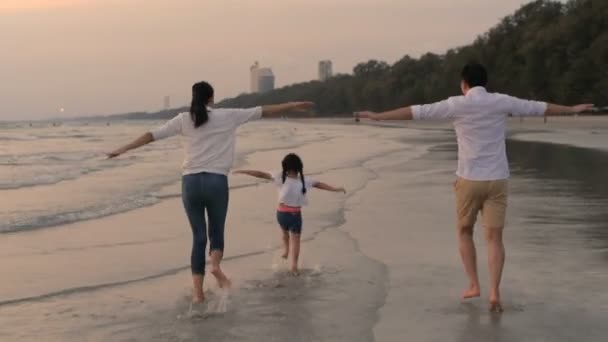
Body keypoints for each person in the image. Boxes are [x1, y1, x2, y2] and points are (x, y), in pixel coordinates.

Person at [355, 62, 593, 312]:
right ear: (485, 83)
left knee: (464, 232)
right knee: (494, 238)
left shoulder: (457, 104)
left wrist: (377, 115)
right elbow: (538, 107)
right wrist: (572, 109)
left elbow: (416, 112)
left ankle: (473, 285)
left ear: (463, 84)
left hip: (468, 180)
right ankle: (494, 292)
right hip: (497, 179)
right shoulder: (501, 101)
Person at [107, 81, 314, 304]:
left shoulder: (183, 119)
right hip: (216, 182)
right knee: (216, 231)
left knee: (198, 237)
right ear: (211, 98)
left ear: (193, 97)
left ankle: (198, 294)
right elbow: (264, 110)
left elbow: (151, 135)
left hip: (191, 183)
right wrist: (294, 104)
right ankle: (215, 266)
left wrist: (123, 148)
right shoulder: (228, 116)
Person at [233, 153, 346, 275]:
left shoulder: (280, 177)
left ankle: (286, 250)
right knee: (295, 240)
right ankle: (294, 266)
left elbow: (260, 174)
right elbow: (320, 185)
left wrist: (243, 171)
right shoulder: (305, 181)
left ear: (285, 167)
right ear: (299, 167)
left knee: (284, 233)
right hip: (294, 215)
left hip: (281, 214)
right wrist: (335, 189)